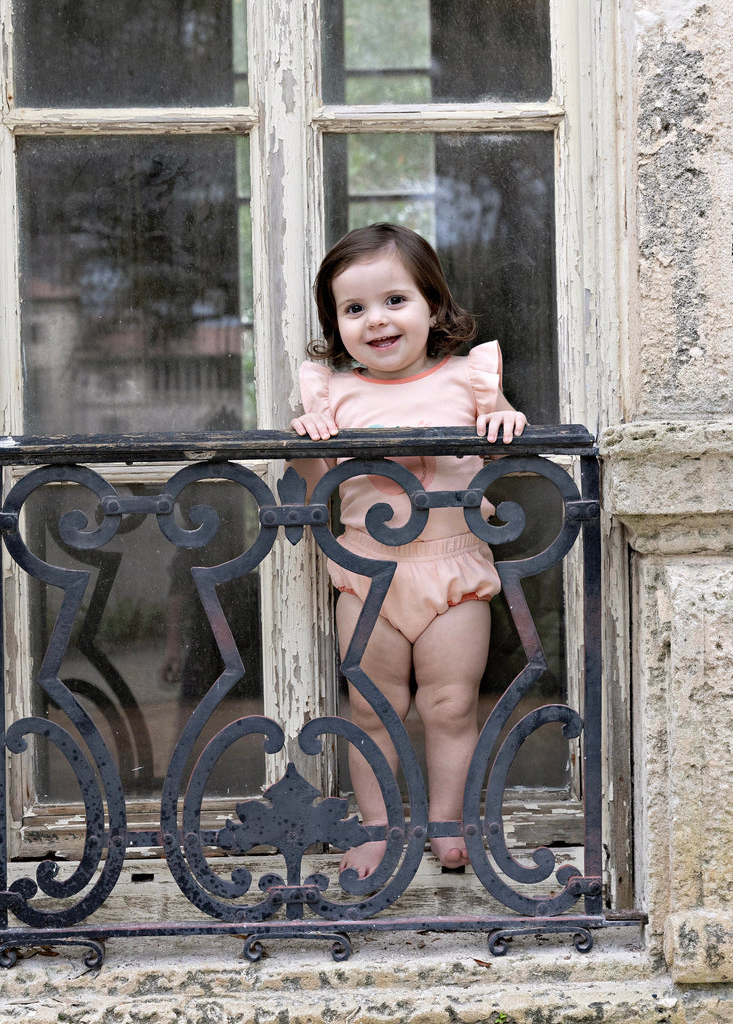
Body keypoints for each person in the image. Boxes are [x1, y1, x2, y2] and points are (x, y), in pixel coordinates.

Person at [290, 223, 527, 879]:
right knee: (370, 707)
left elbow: (498, 439)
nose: (377, 320)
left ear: (432, 306)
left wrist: (502, 418)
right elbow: (317, 490)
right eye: (354, 309)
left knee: (449, 705)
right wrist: (308, 444)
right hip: (369, 574)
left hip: (452, 567)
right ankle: (376, 828)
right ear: (335, 324)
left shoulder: (467, 377)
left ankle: (449, 822)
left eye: (395, 300)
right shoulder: (332, 393)